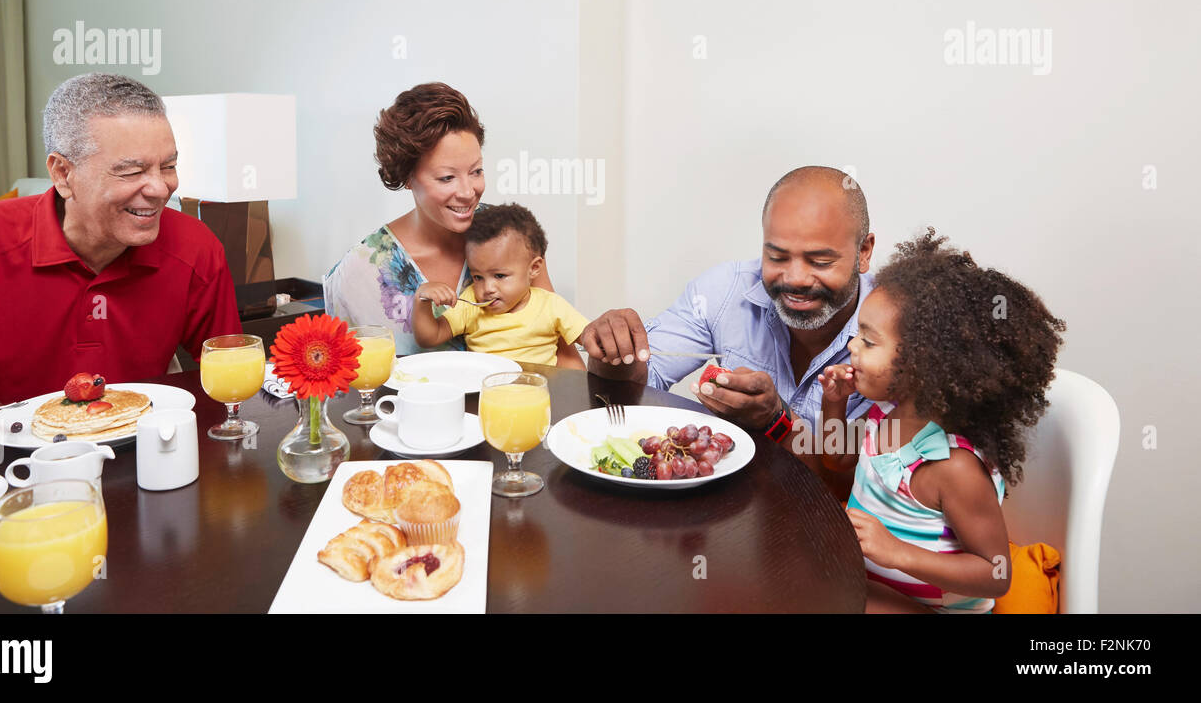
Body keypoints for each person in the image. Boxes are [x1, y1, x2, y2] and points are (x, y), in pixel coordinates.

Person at [0, 73, 241, 421]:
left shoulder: (196, 248)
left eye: (168, 166)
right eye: (131, 171)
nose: (159, 188)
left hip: (140, 456)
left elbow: (231, 383)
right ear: (63, 173)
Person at [817, 228, 1064, 613]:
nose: (852, 347)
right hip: (870, 583)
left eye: (868, 341)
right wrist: (833, 405)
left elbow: (996, 574)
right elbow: (836, 461)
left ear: (922, 365)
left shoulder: (953, 466)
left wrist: (896, 551)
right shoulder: (884, 410)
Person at [581, 166, 875, 439]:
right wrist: (613, 353)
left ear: (863, 252)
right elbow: (636, 386)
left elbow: (860, 477)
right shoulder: (723, 291)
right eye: (777, 257)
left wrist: (777, 421)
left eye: (820, 261)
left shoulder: (896, 330)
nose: (795, 278)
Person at [325, 83, 578, 363]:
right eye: (447, 178)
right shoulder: (362, 274)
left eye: (476, 171)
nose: (468, 192)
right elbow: (348, 387)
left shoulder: (508, 235)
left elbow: (563, 354)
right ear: (407, 178)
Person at [414, 203, 587, 367]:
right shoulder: (471, 302)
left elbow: (588, 337)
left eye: (499, 275)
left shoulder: (550, 305)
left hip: (536, 393)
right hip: (487, 394)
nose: (487, 288)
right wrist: (422, 300)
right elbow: (430, 337)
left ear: (533, 269)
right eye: (478, 277)